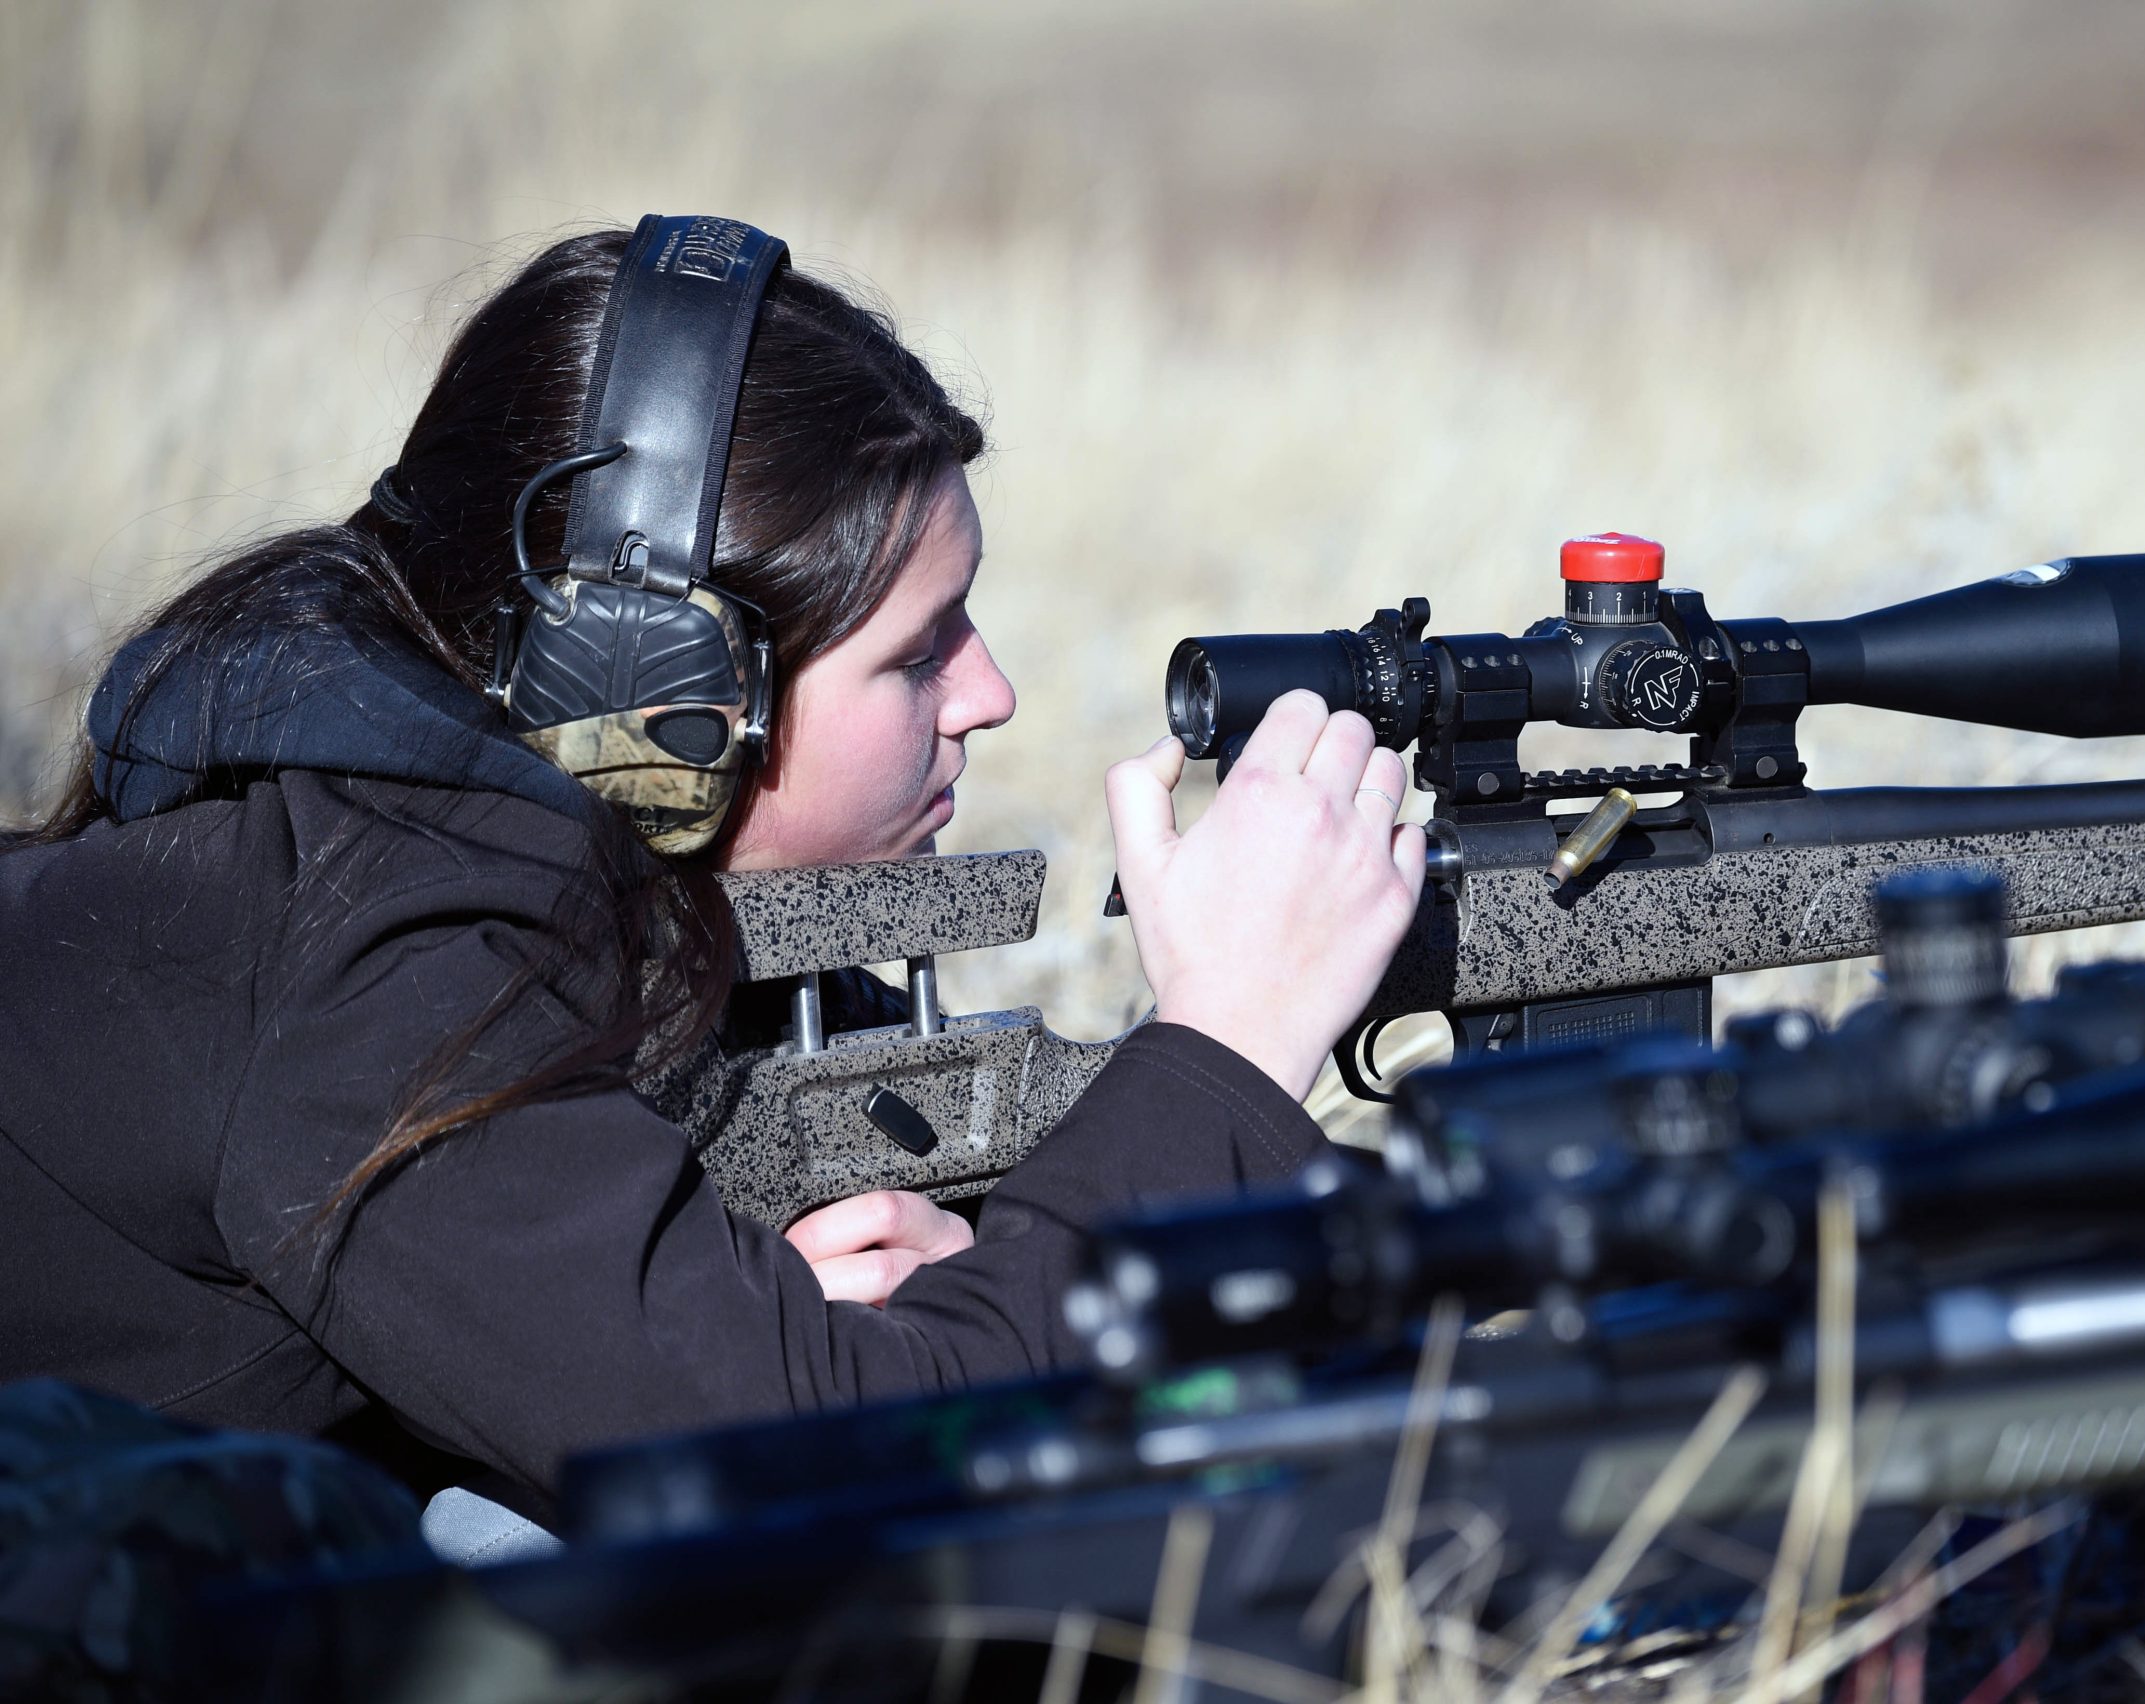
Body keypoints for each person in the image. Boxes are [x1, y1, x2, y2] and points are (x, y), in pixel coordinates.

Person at [0, 225, 1424, 1523]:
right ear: (671, 698)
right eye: (918, 652)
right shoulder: (392, 963)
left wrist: (858, 1299)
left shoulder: (421, 847)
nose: (990, 695)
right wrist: (1227, 1042)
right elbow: (851, 1464)